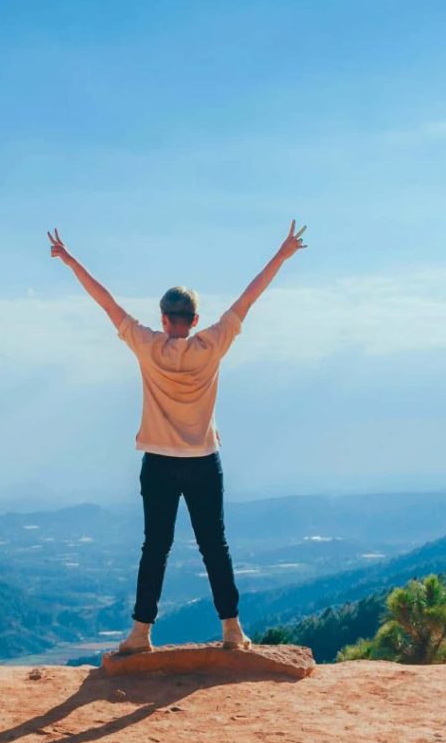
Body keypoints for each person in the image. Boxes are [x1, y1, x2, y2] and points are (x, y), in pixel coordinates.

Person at [48, 221, 308, 654]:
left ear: (165, 319)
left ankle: (140, 633)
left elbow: (107, 303)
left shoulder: (148, 345)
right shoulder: (213, 344)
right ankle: (232, 630)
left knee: (156, 547)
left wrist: (71, 260)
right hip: (204, 459)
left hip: (159, 461)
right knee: (214, 546)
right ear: (196, 320)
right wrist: (282, 254)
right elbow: (249, 298)